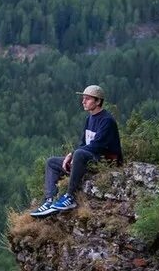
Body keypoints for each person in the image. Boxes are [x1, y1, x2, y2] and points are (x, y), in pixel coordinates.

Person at [29, 85, 122, 217]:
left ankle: (70, 197)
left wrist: (73, 154)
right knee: (51, 162)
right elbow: (83, 143)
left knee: (78, 153)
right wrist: (72, 156)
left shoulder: (107, 121)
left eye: (87, 99)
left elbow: (97, 145)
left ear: (98, 101)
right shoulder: (89, 119)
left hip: (105, 161)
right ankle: (49, 200)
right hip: (90, 157)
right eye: (83, 98)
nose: (83, 101)